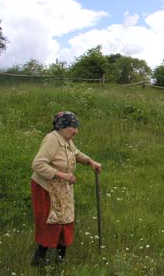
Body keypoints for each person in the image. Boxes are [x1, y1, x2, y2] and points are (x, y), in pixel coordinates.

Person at [30, 111, 102, 266]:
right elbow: (37, 164)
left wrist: (90, 161)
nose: (76, 131)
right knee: (51, 222)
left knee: (66, 221)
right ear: (62, 127)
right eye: (73, 127)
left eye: (77, 127)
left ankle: (60, 261)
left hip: (62, 188)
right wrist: (62, 175)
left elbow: (75, 154)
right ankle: (38, 260)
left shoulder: (66, 139)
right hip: (46, 189)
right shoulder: (52, 140)